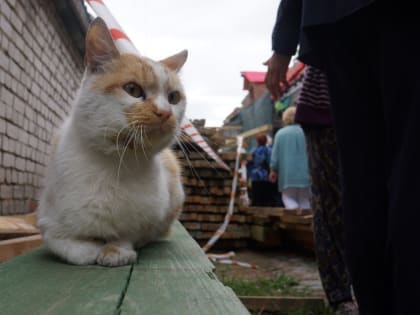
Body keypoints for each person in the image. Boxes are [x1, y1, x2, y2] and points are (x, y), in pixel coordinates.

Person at [264, 1, 420, 314]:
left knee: (361, 179)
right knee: (409, 170)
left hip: (335, 18)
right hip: (403, 19)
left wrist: (283, 40)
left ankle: (374, 303)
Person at [295, 66, 357, 314]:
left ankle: (353, 295)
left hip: (376, 104)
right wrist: (283, 47)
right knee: (329, 209)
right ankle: (342, 297)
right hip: (327, 108)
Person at [269, 107, 310, 209]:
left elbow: (275, 156)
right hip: (306, 173)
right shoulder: (306, 131)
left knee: (288, 197)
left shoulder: (280, 134)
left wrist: (273, 170)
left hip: (287, 174)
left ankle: (295, 216)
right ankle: (305, 223)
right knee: (305, 199)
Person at [249, 134, 274, 207]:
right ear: (266, 141)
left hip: (255, 177)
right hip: (266, 176)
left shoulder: (253, 150)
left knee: (256, 198)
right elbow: (271, 162)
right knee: (266, 198)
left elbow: (249, 163)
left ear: (257, 141)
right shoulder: (269, 150)